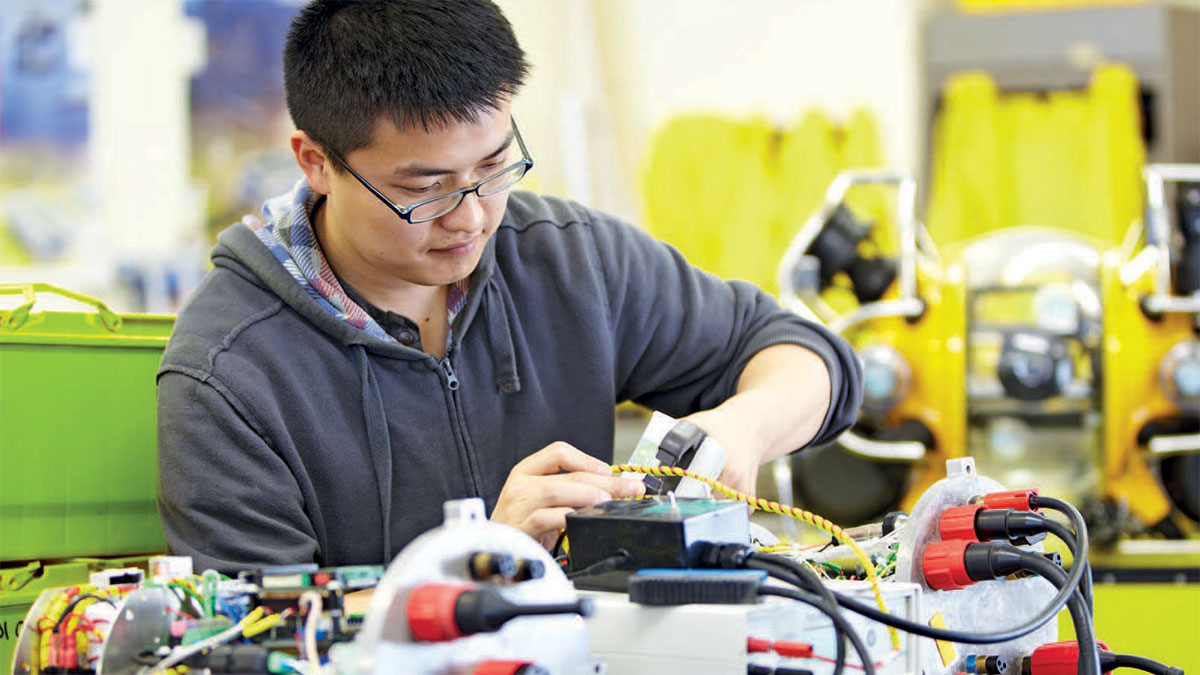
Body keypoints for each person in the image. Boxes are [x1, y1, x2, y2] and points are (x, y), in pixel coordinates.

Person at [156, 0, 862, 574]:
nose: (471, 217)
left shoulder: (566, 258)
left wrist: (745, 425)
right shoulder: (228, 375)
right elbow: (256, 641)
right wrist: (478, 567)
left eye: (494, 165)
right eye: (424, 188)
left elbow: (807, 354)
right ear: (316, 162)